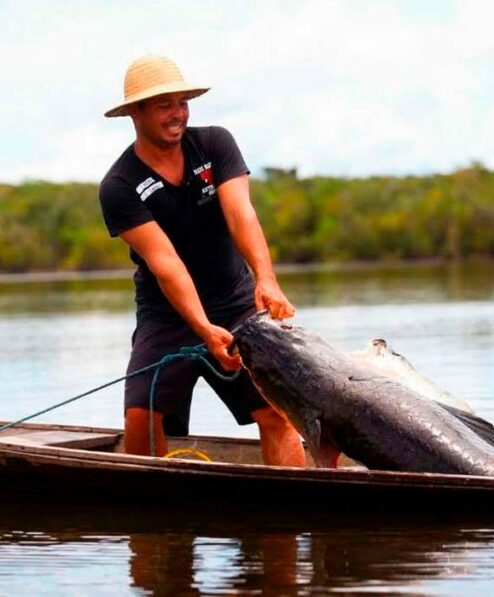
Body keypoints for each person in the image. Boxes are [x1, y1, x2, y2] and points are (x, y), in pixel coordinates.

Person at [98, 54, 305, 467]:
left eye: (182, 103)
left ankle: (288, 515)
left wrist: (266, 279)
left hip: (236, 301)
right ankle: (155, 518)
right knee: (142, 418)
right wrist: (203, 329)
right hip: (166, 314)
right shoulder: (119, 185)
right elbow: (166, 262)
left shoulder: (214, 144)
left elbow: (239, 214)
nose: (177, 115)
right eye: (164, 106)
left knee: (276, 411)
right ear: (135, 113)